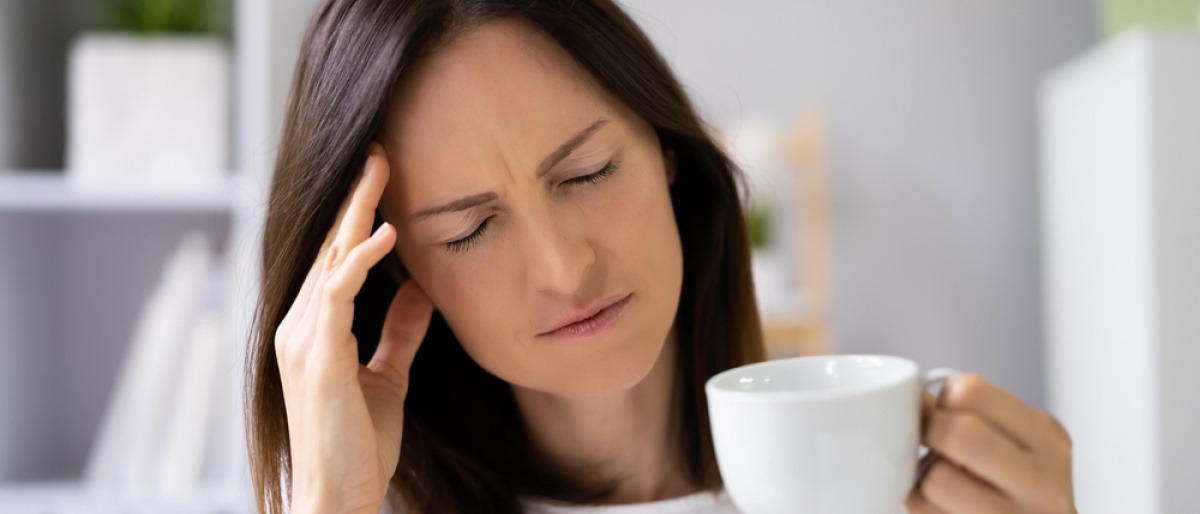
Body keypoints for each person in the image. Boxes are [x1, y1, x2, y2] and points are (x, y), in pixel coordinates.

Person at [245, 1, 1077, 513]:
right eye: (468, 229)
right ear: (394, 273)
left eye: (587, 172)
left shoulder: (893, 491)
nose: (566, 271)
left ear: (668, 149)